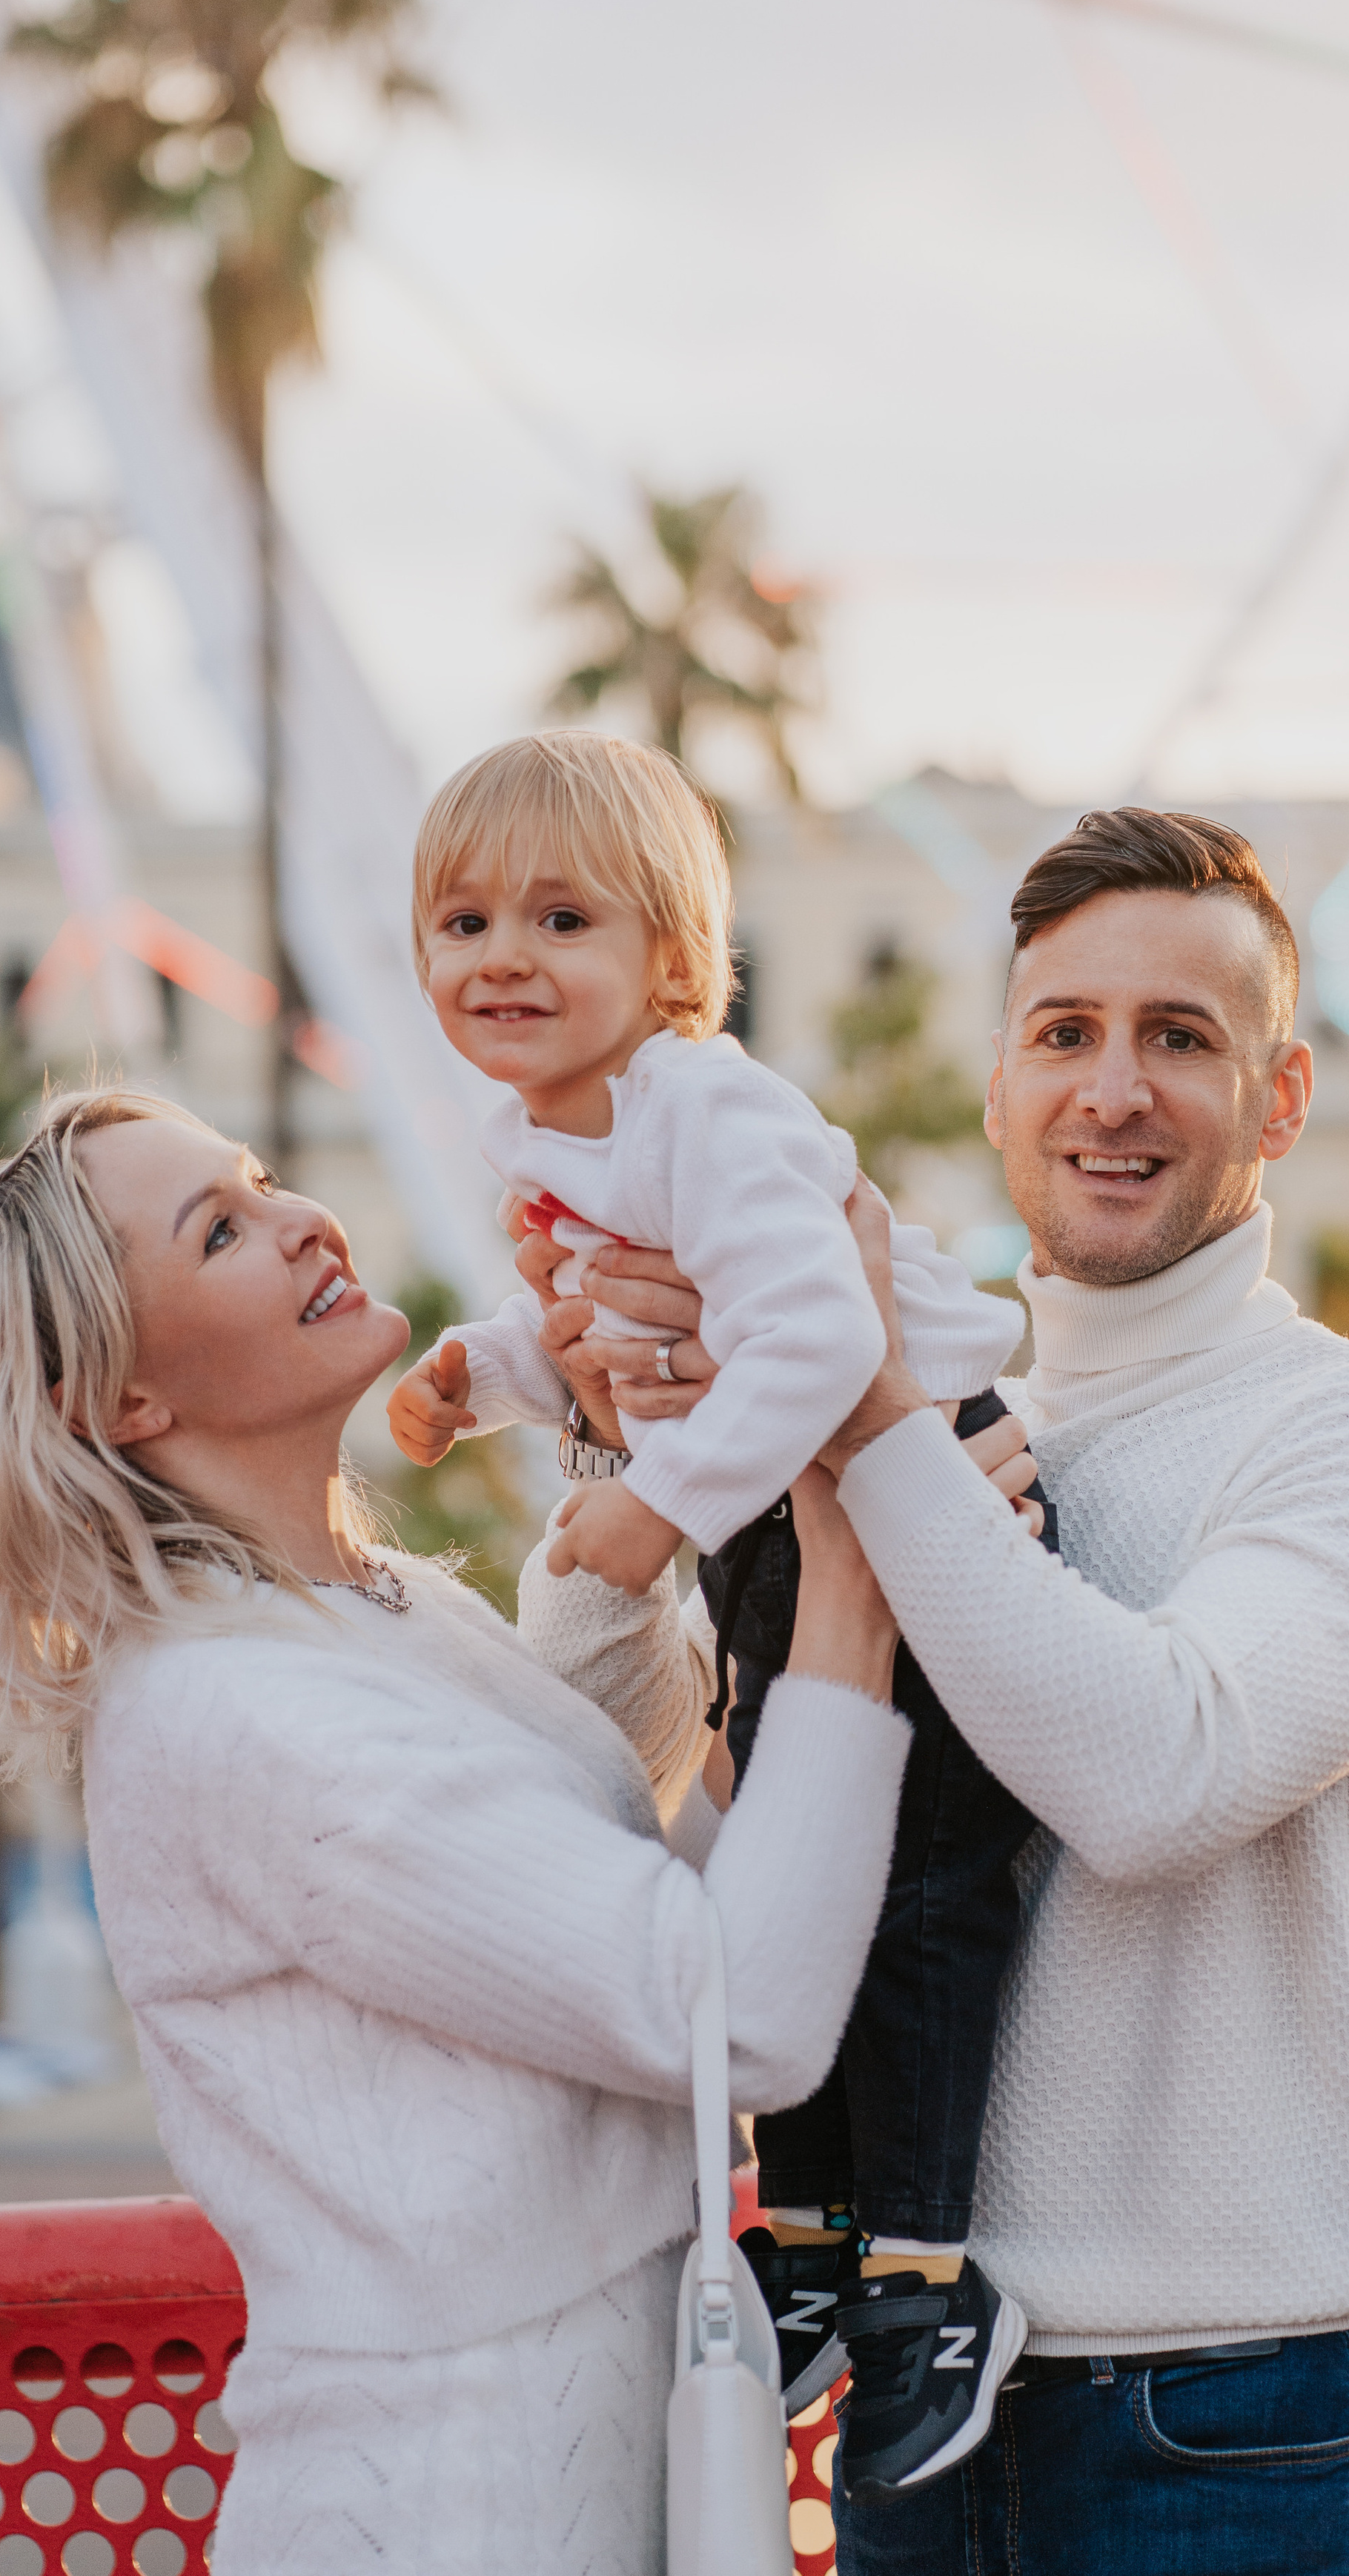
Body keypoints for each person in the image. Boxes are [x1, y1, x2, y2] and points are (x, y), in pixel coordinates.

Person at [546, 807, 1349, 2576]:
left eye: (1180, 1039)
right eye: (1063, 1033)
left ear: (1279, 1098)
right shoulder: (920, 1438)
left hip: (1251, 2424)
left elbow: (1152, 1777)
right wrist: (627, 1455)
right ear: (995, 1091)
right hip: (916, 2413)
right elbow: (671, 1821)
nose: (1111, 1090)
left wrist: (858, 1416)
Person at [0, 1082, 915, 2576]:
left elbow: (614, 1897)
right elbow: (729, 2013)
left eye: (257, 1179)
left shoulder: (363, 1604)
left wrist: (651, 1468)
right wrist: (851, 1574)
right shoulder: (227, 1712)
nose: (305, 1216)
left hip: (580, 2467)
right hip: (447, 2505)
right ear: (119, 1401)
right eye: (224, 1228)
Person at [388, 730, 1047, 2497]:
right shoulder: (550, 1129)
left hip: (934, 1489)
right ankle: (817, 2236)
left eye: (558, 916)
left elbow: (826, 1343)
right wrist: (488, 1373)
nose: (499, 957)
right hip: (776, 1510)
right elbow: (631, 1320)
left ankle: (923, 2273)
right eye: (460, 922)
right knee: (785, 1862)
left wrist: (653, 1504)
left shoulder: (714, 1112)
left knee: (908, 1894)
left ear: (673, 967)